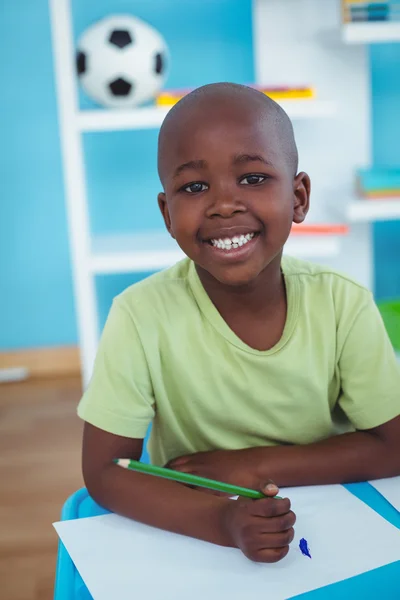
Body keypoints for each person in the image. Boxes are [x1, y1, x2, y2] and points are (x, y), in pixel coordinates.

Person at [78, 82, 400, 564]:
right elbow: (105, 470)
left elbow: (392, 445)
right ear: (168, 213)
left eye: (252, 178)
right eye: (193, 187)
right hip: (193, 525)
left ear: (298, 197)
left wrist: (253, 466)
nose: (224, 204)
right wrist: (221, 522)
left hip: (330, 518)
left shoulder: (342, 303)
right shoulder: (139, 315)